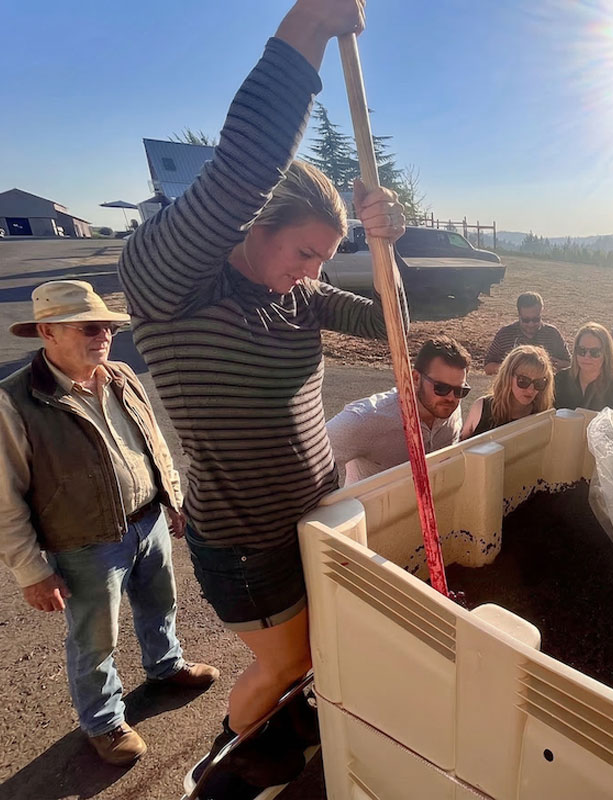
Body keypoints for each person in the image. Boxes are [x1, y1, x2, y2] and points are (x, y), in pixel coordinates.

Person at [117, 1, 409, 786]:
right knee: (288, 660)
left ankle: (287, 723)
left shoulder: (300, 298)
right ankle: (223, 766)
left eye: (325, 257)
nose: (314, 270)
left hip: (312, 516)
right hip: (244, 542)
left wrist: (384, 250)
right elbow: (240, 169)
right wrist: (309, 25)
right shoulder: (169, 285)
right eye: (307, 250)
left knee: (318, 651)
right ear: (256, 224)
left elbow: (394, 325)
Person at [0, 280, 218, 767]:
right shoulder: (14, 401)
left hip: (147, 521)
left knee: (161, 603)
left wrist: (173, 498)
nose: (105, 336)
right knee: (95, 637)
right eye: (90, 327)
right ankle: (102, 721)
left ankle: (165, 667)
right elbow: (5, 501)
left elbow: (152, 439)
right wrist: (32, 570)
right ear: (47, 331)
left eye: (110, 327)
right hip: (84, 542)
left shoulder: (118, 374)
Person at [327, 337, 471, 484]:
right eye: (441, 388)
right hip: (374, 505)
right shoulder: (365, 419)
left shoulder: (447, 407)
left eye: (460, 391)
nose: (451, 398)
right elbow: (309, 460)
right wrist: (337, 504)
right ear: (415, 378)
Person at [462, 345, 554, 439]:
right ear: (507, 377)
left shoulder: (543, 417)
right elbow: (460, 448)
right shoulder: (482, 408)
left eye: (539, 383)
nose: (531, 389)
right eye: (523, 381)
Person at [554, 323, 613, 414]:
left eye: (595, 352)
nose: (587, 356)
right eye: (582, 350)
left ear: (606, 354)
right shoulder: (560, 380)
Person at [483, 292, 570, 375]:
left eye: (536, 319)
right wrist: (512, 367)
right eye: (526, 320)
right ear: (519, 316)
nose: (531, 324)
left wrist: (555, 364)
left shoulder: (552, 334)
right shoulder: (505, 334)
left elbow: (570, 363)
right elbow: (488, 367)